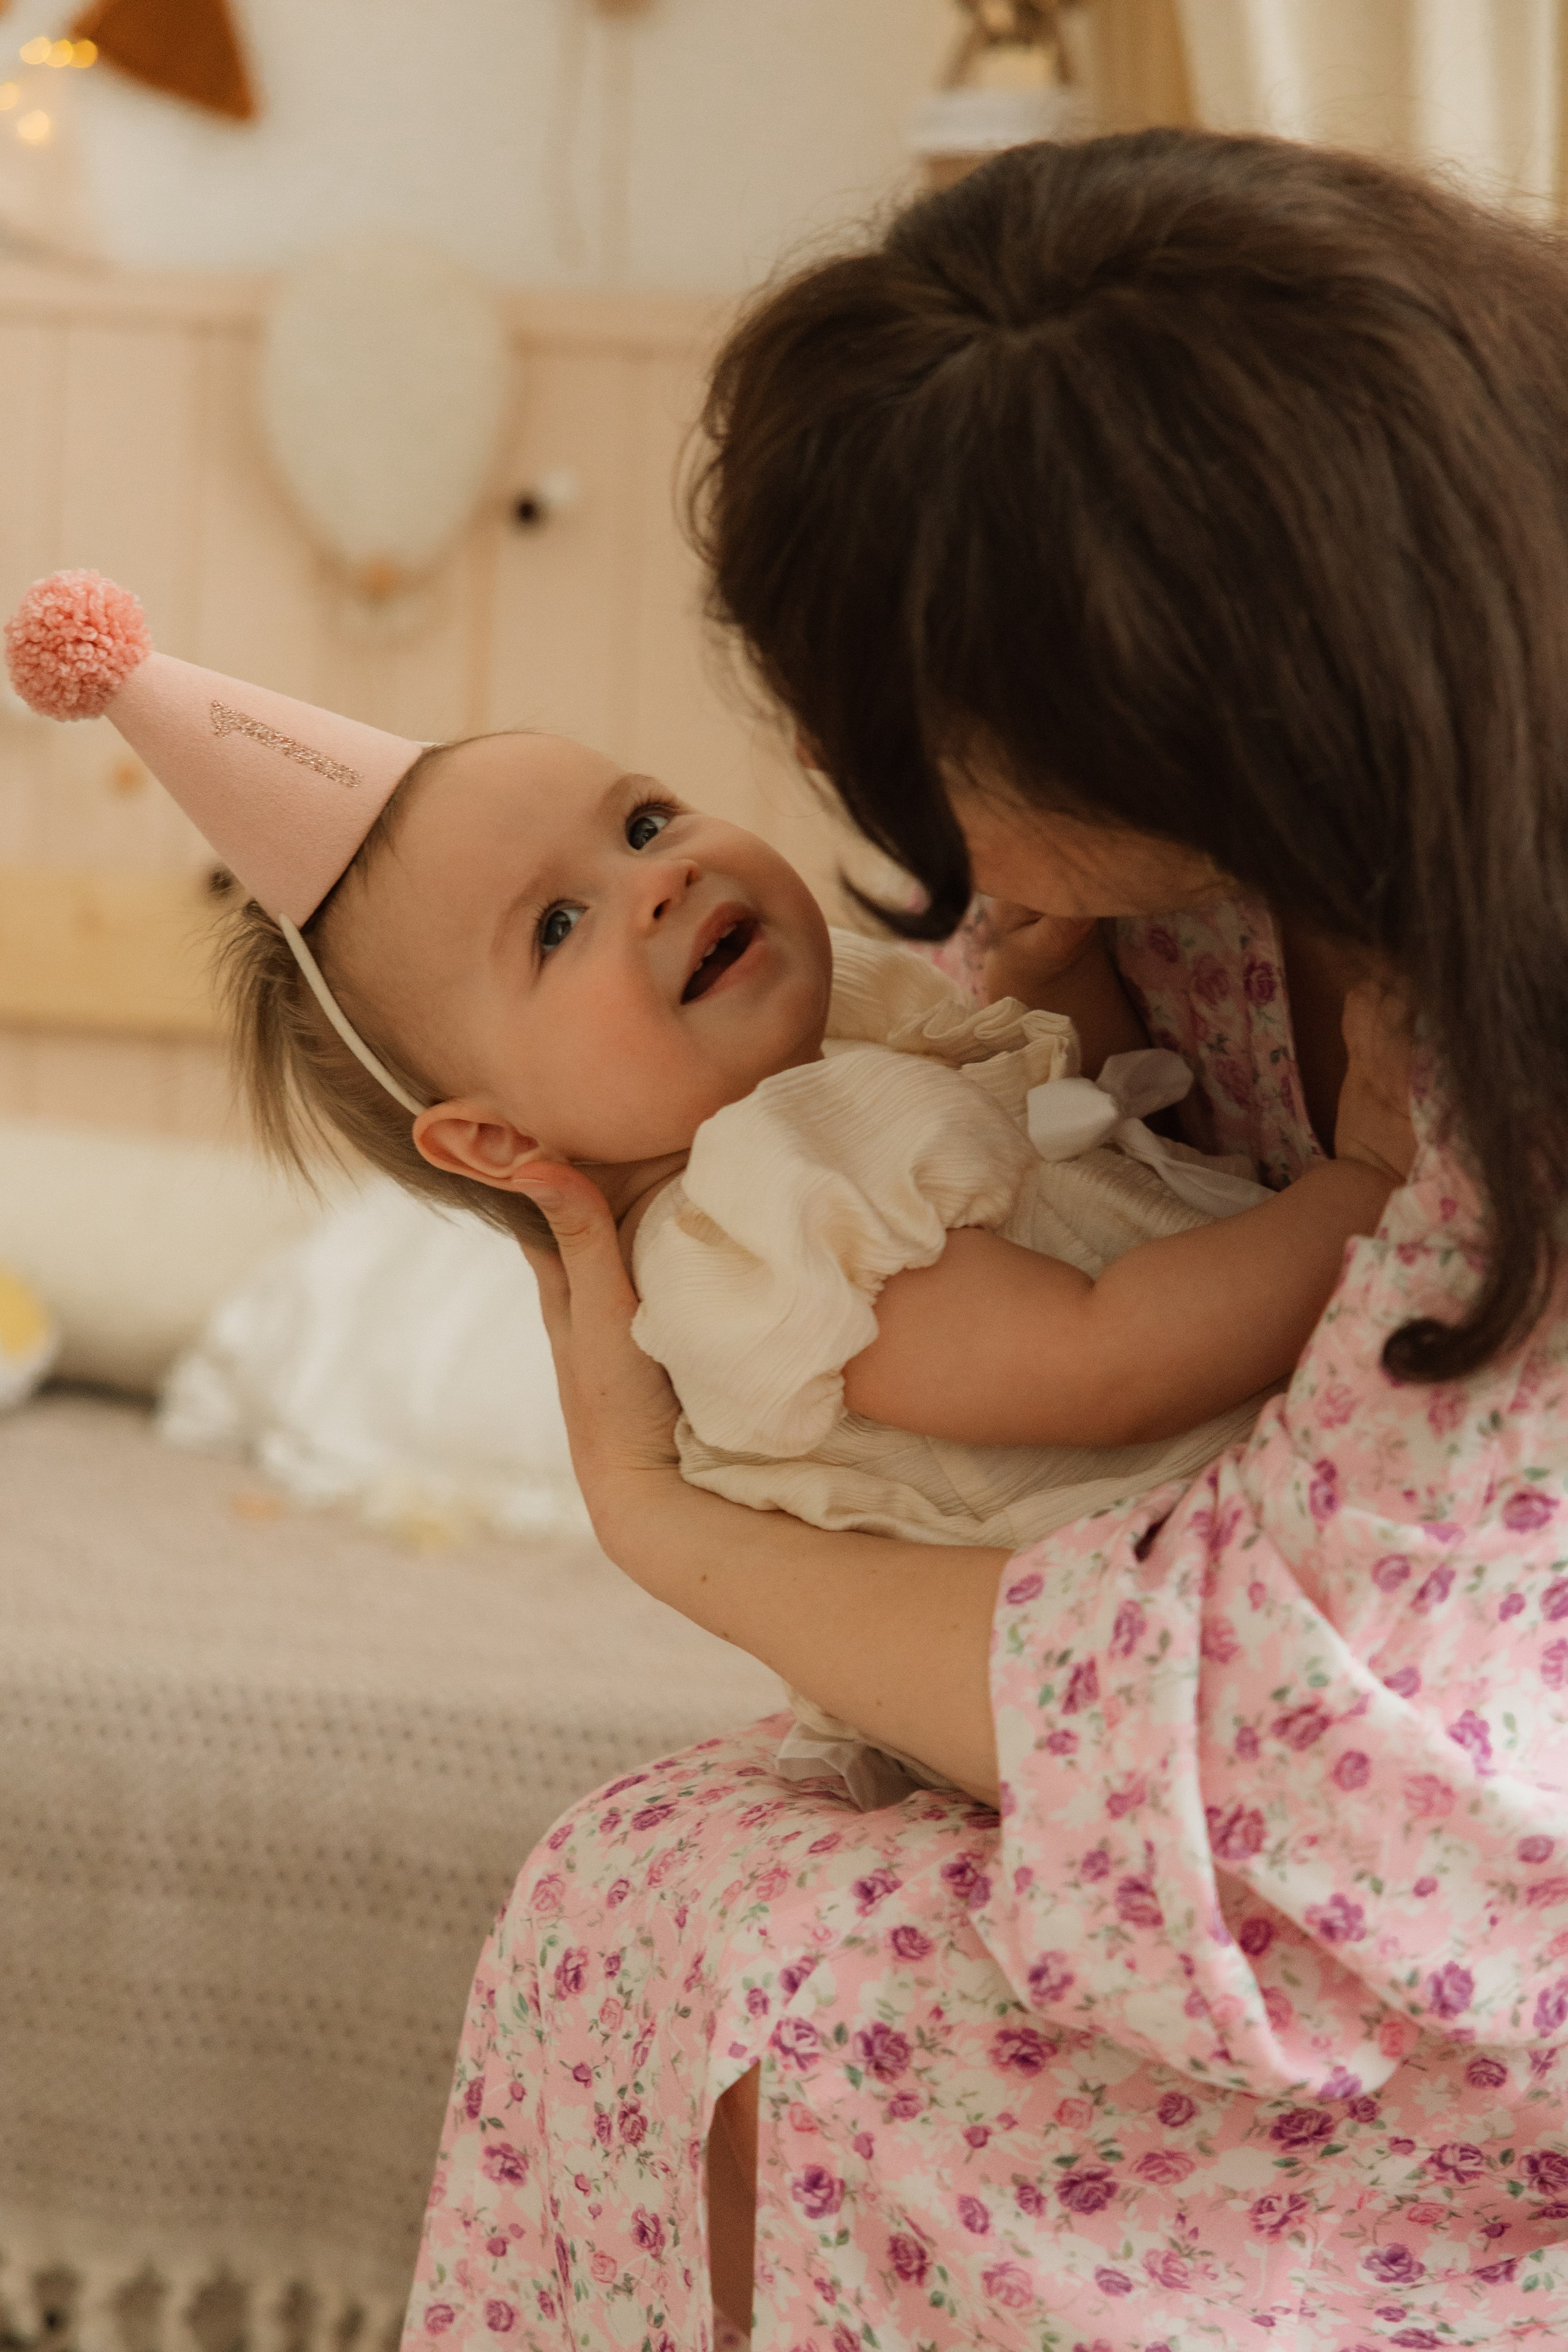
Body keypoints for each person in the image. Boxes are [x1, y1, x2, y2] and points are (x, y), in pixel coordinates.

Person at [399, 130, 1568, 2349]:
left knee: (744, 1962)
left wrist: (657, 1523)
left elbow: (1300, 1724)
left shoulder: (1480, 1039)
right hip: (1223, 1691)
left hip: (1409, 1828)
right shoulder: (1150, 930)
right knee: (647, 1906)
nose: (867, 818)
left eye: (654, 822)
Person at [0, 571, 1404, 1812]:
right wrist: (1358, 1190)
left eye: (643, 820)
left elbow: (1083, 1177)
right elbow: (1093, 1355)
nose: (656, 884)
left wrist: (1066, 998)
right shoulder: (751, 1241)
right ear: (492, 1142)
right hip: (1156, 1622)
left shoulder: (843, 1041)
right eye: (556, 928)